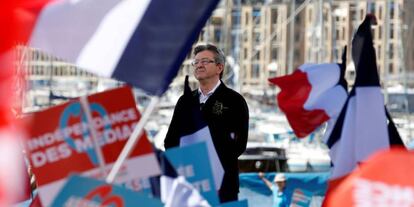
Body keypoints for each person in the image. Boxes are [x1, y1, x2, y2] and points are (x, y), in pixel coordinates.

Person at [164, 43, 249, 203]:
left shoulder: (234, 100)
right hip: (190, 183)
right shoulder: (185, 101)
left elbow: (239, 144)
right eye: (196, 62)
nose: (199, 65)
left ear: (219, 67)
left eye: (204, 61)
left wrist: (210, 165)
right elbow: (171, 140)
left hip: (222, 185)